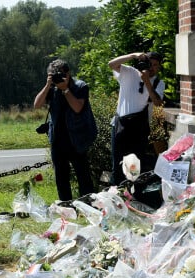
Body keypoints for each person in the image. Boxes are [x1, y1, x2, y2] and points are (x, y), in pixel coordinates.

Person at [33, 59, 97, 201]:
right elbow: (37, 105)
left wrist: (65, 90)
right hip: (57, 139)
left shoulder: (80, 86)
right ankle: (66, 205)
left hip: (77, 139)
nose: (58, 77)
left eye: (60, 74)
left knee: (83, 175)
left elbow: (77, 107)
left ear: (68, 73)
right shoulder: (52, 88)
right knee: (61, 177)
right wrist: (48, 84)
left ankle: (88, 204)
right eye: (53, 74)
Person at [108, 51, 165, 185]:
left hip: (138, 129)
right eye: (149, 64)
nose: (151, 68)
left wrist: (147, 82)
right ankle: (117, 194)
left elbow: (157, 102)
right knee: (117, 165)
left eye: (155, 65)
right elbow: (111, 64)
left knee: (135, 165)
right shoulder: (130, 72)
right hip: (120, 125)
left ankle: (133, 196)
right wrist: (133, 55)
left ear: (159, 67)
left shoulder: (158, 82)